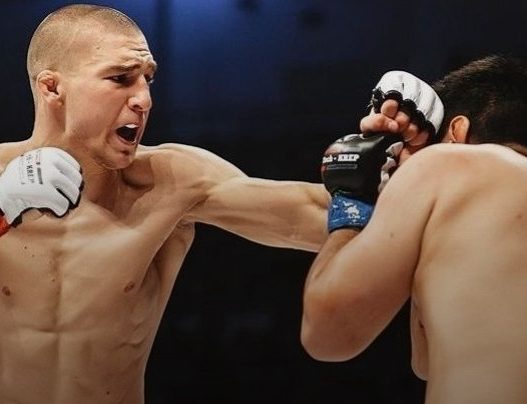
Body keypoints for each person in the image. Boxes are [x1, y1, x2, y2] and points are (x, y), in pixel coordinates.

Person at [0, 4, 332, 403]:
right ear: (52, 88)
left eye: (148, 78)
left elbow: (314, 216)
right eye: (121, 78)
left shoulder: (172, 181)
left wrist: (394, 172)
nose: (144, 99)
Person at [301, 54, 527, 404]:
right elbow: (426, 362)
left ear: (456, 132)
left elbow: (328, 334)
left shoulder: (449, 164)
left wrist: (354, 195)